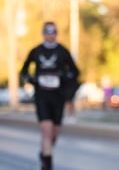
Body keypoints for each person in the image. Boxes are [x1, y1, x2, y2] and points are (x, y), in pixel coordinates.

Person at [20, 21, 80, 170]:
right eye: (47, 32)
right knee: (46, 129)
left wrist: (64, 77)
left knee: (54, 133)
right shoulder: (36, 51)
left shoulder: (62, 51)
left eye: (53, 32)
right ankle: (47, 165)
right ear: (43, 33)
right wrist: (32, 80)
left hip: (58, 96)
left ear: (56, 33)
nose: (50, 35)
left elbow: (75, 72)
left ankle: (45, 154)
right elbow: (24, 71)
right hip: (42, 95)